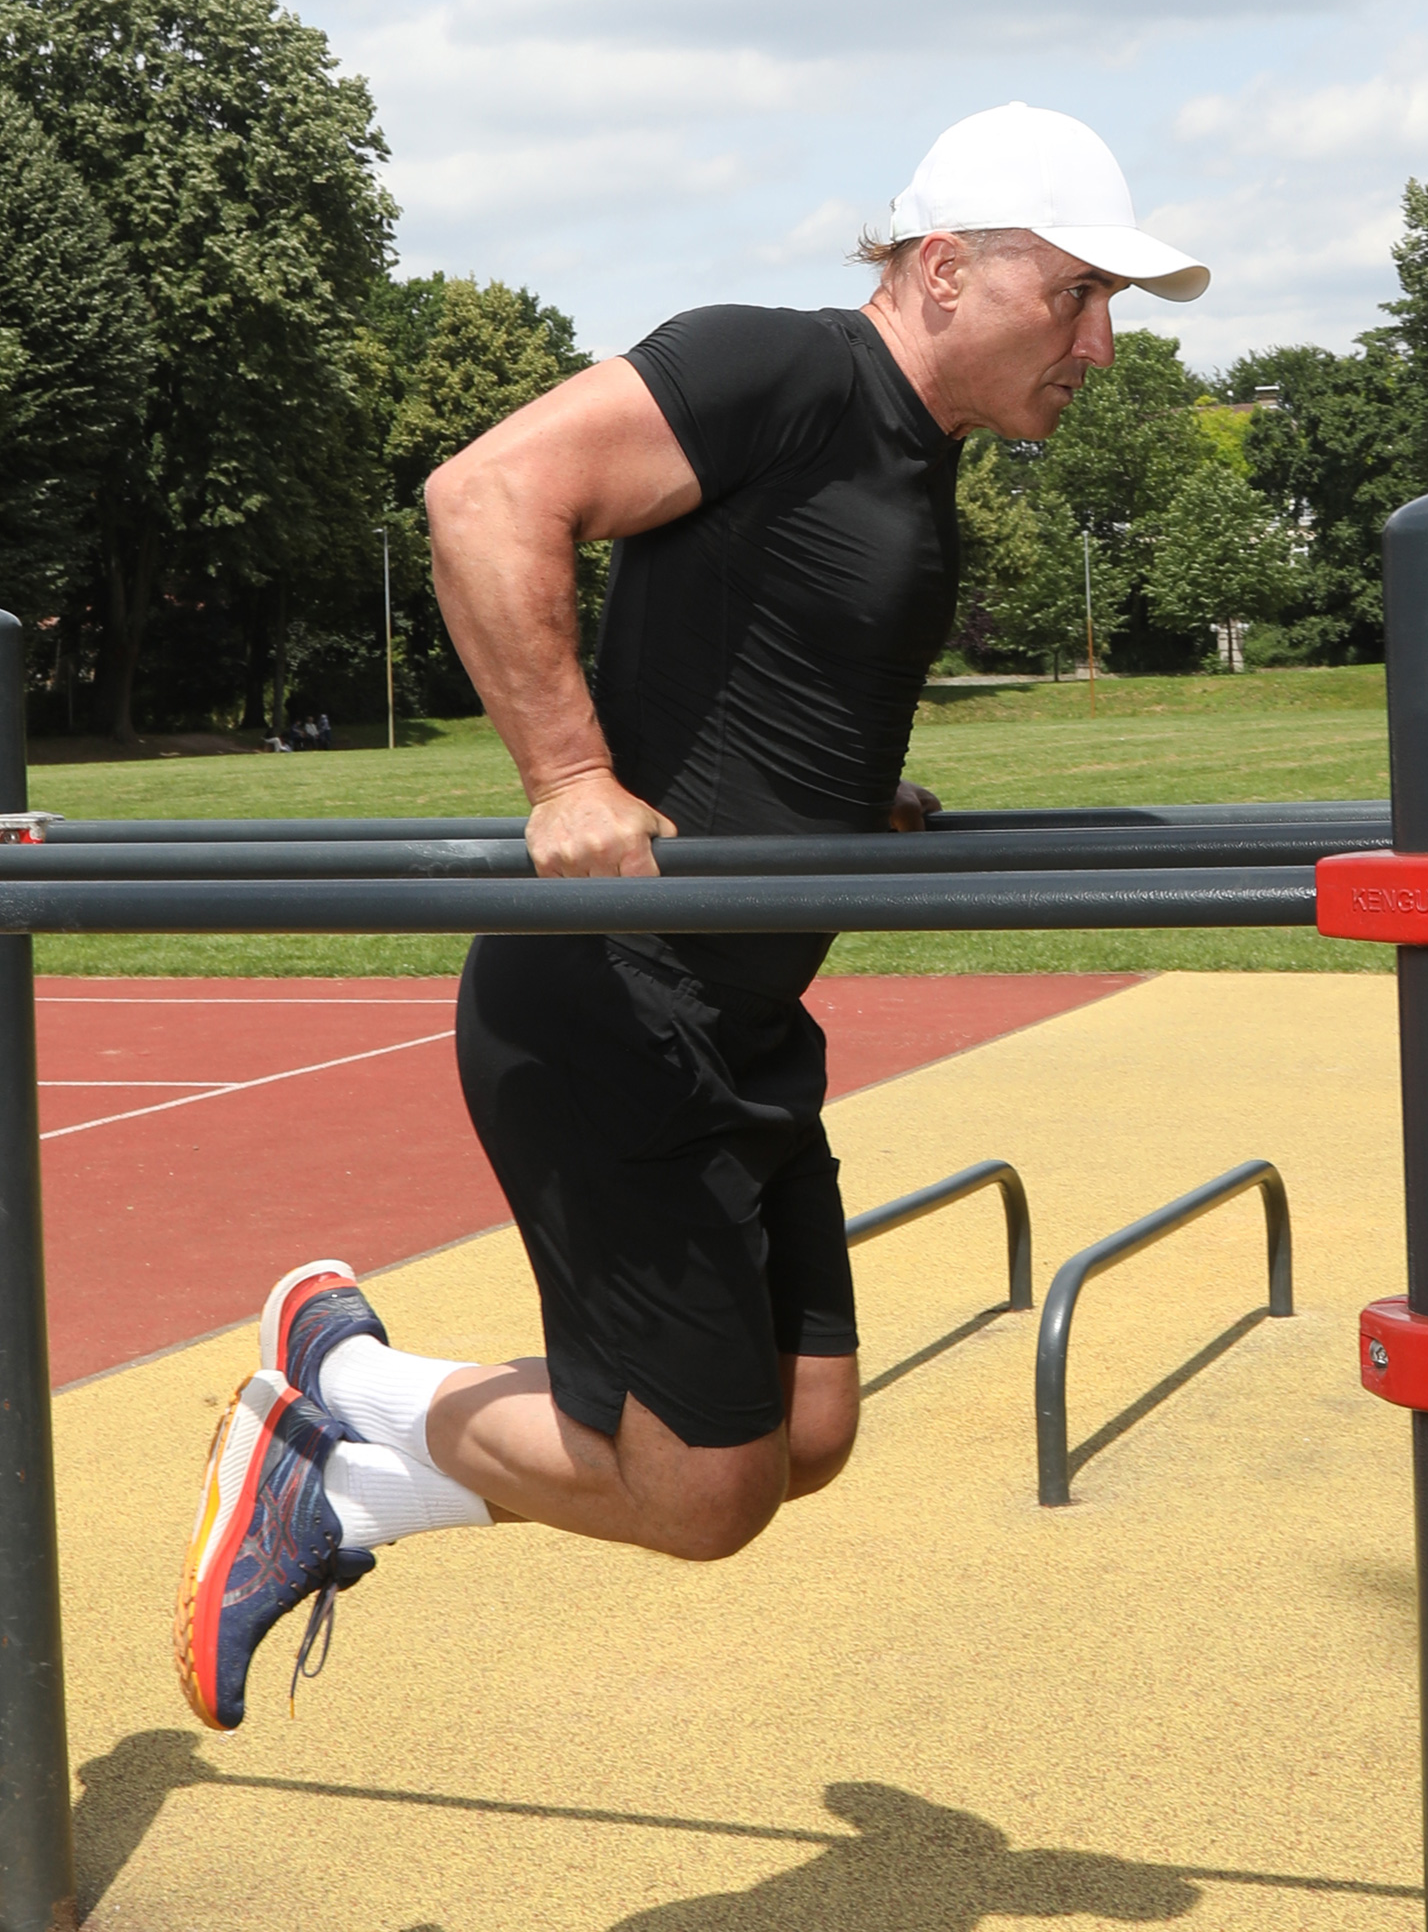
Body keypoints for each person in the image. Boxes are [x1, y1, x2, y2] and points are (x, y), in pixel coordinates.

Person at [177, 102, 1209, 1730]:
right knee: (703, 1493)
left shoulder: (910, 458)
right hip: (612, 1003)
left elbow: (764, 642)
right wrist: (567, 778)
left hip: (737, 1013)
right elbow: (484, 492)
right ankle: (331, 1418)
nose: (1098, 342)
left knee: (806, 1434)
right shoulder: (780, 371)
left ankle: (343, 1413)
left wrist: (841, 794)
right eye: (1074, 295)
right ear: (946, 269)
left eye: (1110, 309)